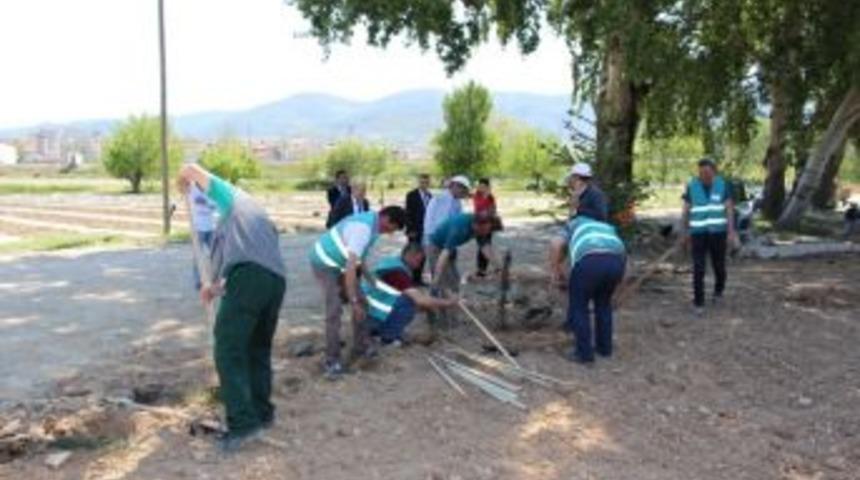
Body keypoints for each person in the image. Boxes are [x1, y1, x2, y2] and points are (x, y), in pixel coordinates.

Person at [177, 164, 286, 453]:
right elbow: (243, 265)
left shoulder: (234, 199)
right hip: (275, 282)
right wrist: (213, 289)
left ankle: (242, 424)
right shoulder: (250, 221)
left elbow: (191, 168)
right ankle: (262, 414)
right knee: (256, 349)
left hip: (251, 278)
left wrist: (183, 179)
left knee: (227, 348)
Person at [309, 205, 407, 379]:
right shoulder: (363, 229)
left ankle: (361, 346)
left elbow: (359, 259)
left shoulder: (374, 225)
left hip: (341, 263)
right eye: (391, 228)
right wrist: (353, 300)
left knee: (363, 303)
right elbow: (350, 268)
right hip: (324, 262)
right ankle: (332, 361)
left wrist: (371, 280)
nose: (389, 233)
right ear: (387, 219)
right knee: (334, 310)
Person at [549, 214, 626, 364]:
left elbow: (555, 244)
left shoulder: (572, 225)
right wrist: (619, 286)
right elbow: (624, 255)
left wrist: (555, 270)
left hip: (589, 261)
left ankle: (584, 354)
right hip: (615, 262)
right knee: (603, 305)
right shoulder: (606, 227)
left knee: (579, 307)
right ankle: (605, 348)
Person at [361, 243, 459, 346]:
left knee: (413, 300)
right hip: (370, 314)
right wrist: (449, 302)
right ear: (410, 255)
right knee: (410, 302)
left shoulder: (394, 262)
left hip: (369, 307)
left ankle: (379, 331)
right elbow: (420, 300)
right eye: (418, 261)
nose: (418, 265)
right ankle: (388, 337)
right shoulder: (397, 272)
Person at [680, 158, 737, 315]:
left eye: (707, 172)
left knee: (719, 266)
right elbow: (685, 210)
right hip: (698, 233)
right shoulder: (692, 186)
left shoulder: (723, 185)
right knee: (698, 268)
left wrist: (731, 232)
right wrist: (684, 232)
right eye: (701, 172)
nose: (704, 175)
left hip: (718, 233)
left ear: (714, 171)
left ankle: (718, 291)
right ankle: (699, 302)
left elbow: (730, 209)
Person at [426, 212, 500, 326]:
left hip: (450, 249)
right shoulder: (459, 228)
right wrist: (436, 277)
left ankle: (452, 316)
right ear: (476, 225)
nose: (485, 233)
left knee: (454, 280)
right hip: (437, 248)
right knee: (443, 285)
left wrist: (498, 268)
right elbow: (444, 255)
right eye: (484, 230)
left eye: (487, 230)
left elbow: (485, 248)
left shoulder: (481, 227)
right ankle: (439, 319)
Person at [422, 175, 471, 247]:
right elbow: (431, 219)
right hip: (434, 237)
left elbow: (456, 220)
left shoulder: (457, 202)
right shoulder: (440, 197)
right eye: (463, 190)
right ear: (455, 186)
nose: (463, 193)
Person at [405, 174, 433, 282]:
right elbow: (408, 213)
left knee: (422, 254)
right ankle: (409, 277)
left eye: (426, 182)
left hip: (426, 230)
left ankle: (418, 278)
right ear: (418, 182)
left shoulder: (430, 196)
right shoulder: (411, 195)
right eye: (422, 182)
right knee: (412, 253)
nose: (424, 184)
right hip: (414, 230)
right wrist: (410, 230)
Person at [189, 183, 217, 290]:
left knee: (216, 255)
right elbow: (197, 201)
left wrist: (206, 202)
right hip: (198, 228)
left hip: (211, 227)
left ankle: (215, 279)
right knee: (197, 257)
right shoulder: (192, 189)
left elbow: (215, 205)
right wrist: (208, 203)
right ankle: (198, 281)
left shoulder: (211, 190)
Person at [472, 178, 498, 277]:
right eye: (480, 185)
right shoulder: (477, 196)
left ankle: (484, 269)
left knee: (487, 244)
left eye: (484, 186)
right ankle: (480, 270)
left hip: (488, 223)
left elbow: (493, 210)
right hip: (478, 223)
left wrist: (489, 211)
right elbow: (478, 207)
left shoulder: (491, 197)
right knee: (482, 246)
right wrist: (486, 199)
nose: (481, 187)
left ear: (488, 186)